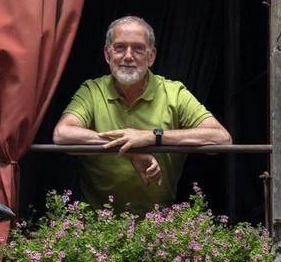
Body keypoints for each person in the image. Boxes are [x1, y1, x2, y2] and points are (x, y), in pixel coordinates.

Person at [53, 15, 231, 214]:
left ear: (151, 56)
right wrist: (130, 149)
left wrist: (151, 137)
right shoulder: (92, 91)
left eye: (138, 48)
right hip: (96, 230)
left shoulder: (174, 93)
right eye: (120, 47)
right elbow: (62, 134)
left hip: (158, 227)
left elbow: (221, 139)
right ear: (107, 54)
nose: (128, 56)